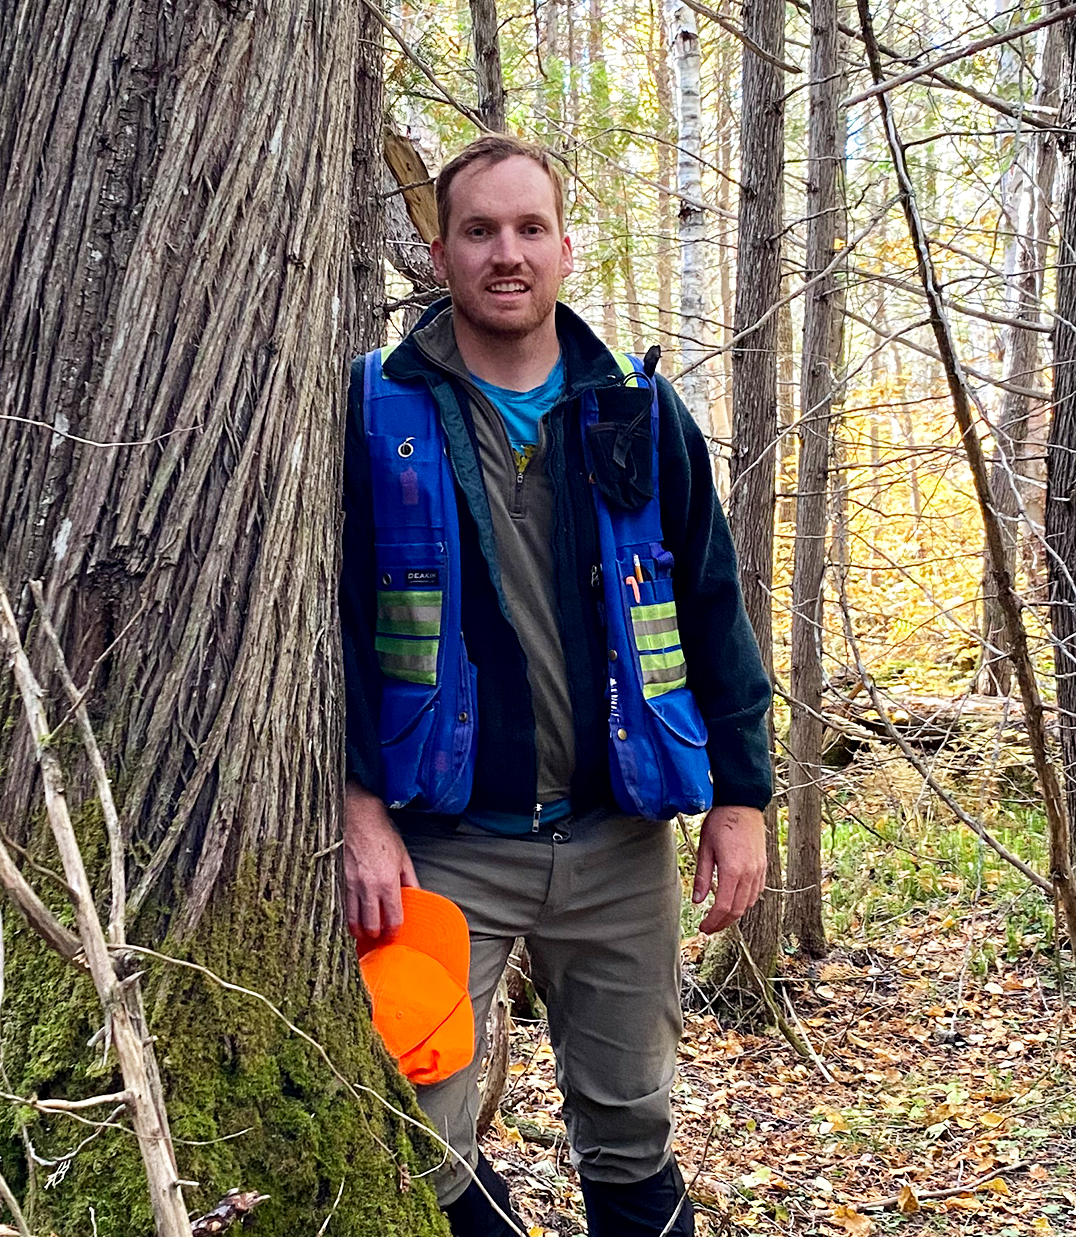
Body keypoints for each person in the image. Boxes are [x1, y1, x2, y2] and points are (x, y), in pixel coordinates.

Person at [340, 133, 773, 1237]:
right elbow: (326, 625)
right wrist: (357, 810)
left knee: (631, 1128)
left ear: (565, 248)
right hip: (443, 844)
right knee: (416, 1140)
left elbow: (712, 608)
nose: (504, 253)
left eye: (528, 228)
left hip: (614, 838)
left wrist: (741, 798)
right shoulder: (374, 409)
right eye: (478, 230)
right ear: (437, 254)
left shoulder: (634, 408)